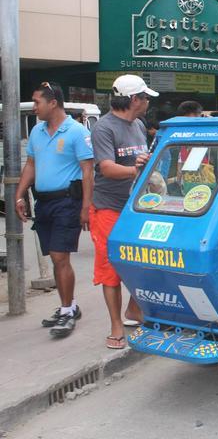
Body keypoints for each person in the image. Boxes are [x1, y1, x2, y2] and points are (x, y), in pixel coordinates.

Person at [15, 82, 94, 338]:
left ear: (53, 103)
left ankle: (67, 310)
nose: (34, 107)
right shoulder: (37, 131)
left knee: (61, 257)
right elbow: (30, 164)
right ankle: (68, 305)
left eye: (37, 102)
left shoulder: (76, 131)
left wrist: (85, 207)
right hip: (44, 203)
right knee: (54, 256)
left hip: (67, 203)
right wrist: (19, 195)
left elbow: (87, 171)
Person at [90, 74, 157, 349]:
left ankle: (134, 310)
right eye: (145, 98)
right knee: (110, 268)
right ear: (134, 100)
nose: (147, 103)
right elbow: (105, 167)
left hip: (136, 207)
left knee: (142, 261)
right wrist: (136, 170)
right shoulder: (104, 128)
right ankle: (116, 326)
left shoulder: (139, 125)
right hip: (108, 207)